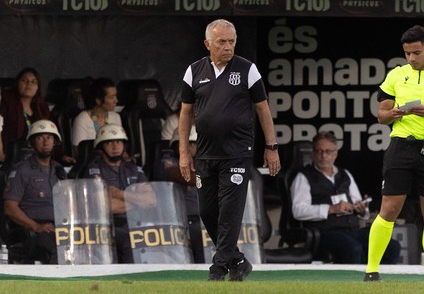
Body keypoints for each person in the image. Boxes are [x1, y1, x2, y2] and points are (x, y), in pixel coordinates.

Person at [178, 19, 280, 281]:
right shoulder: (193, 71)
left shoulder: (248, 69)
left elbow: (263, 109)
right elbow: (185, 113)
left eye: (231, 41)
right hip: (205, 153)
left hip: (237, 153)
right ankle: (238, 261)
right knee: (207, 212)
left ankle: (218, 268)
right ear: (207, 44)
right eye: (221, 42)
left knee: (229, 213)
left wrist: (271, 147)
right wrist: (183, 152)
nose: (227, 46)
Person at [364, 25, 424, 282]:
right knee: (389, 209)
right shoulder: (396, 75)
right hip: (400, 147)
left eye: (416, 52)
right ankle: (371, 270)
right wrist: (394, 114)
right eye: (407, 53)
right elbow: (381, 114)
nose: (411, 58)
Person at [291, 131, 401, 264]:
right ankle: (351, 284)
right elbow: (298, 210)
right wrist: (331, 209)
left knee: (391, 246)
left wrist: (361, 210)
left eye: (328, 151)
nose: (323, 155)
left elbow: (360, 207)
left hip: (351, 230)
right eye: (319, 151)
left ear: (335, 153)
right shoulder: (304, 177)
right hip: (324, 232)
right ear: (313, 153)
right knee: (353, 248)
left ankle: (378, 282)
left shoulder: (345, 174)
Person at [82, 124, 149, 263]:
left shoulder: (134, 169)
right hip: (107, 226)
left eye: (119, 142)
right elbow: (103, 205)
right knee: (129, 241)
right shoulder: (94, 170)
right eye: (109, 142)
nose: (115, 146)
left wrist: (119, 194)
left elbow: (151, 200)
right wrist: (137, 202)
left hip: (137, 224)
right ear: (101, 146)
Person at [3, 120, 67, 264]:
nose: (45, 142)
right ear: (31, 142)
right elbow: (9, 208)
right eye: (40, 137)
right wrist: (36, 226)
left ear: (55, 141)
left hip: (60, 229)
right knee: (58, 251)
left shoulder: (59, 170)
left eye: (49, 137)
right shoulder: (21, 170)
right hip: (34, 230)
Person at [0, 67, 75, 165]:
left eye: (34, 82)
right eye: (24, 80)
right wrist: (2, 155)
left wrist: (61, 156)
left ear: (38, 87)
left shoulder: (41, 106)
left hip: (37, 159)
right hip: (12, 158)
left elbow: (49, 134)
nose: (29, 84)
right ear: (17, 83)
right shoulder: (6, 102)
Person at [155, 126, 204, 263]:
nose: (190, 147)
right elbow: (187, 177)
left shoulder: (202, 163)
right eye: (186, 144)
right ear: (176, 146)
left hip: (201, 222)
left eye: (193, 144)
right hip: (176, 223)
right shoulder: (167, 161)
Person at [72, 78, 122, 157]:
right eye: (112, 97)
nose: (116, 100)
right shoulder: (82, 120)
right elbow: (78, 153)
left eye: (115, 96)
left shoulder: (116, 117)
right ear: (98, 101)